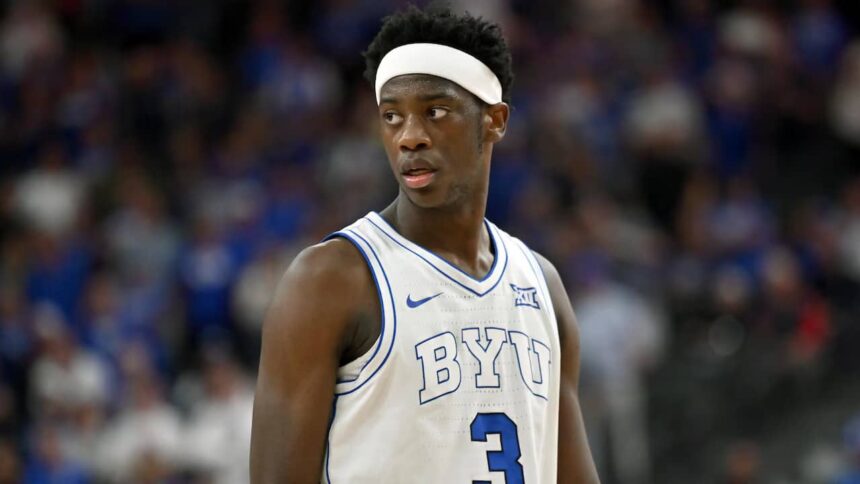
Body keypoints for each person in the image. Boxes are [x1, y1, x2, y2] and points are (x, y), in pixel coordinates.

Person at [250, 5, 600, 483]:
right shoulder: (331, 279)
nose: (410, 137)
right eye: (392, 117)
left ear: (494, 120)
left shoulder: (543, 286)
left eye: (435, 112)